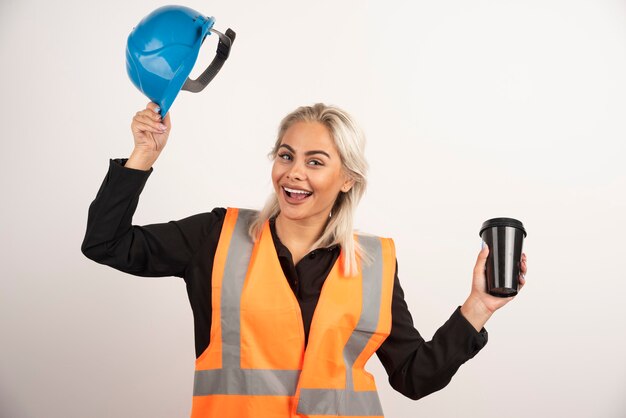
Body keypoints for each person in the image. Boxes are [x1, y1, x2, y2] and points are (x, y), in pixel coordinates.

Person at [81, 102, 528, 417]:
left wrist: (478, 307)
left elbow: (414, 378)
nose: (294, 172)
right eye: (286, 156)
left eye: (316, 162)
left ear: (347, 179)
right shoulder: (214, 236)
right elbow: (106, 243)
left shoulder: (373, 263)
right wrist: (143, 156)